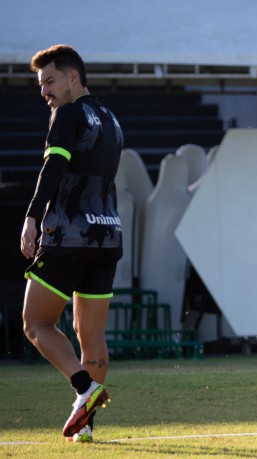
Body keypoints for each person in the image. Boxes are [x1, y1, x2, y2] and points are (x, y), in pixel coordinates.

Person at [21, 44, 123, 443]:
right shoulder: (112, 119)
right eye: (40, 84)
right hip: (108, 233)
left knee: (36, 323)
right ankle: (87, 426)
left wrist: (31, 216)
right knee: (91, 335)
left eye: (49, 81)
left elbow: (55, 166)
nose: (44, 91)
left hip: (69, 235)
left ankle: (85, 388)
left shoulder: (67, 114)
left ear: (72, 77)